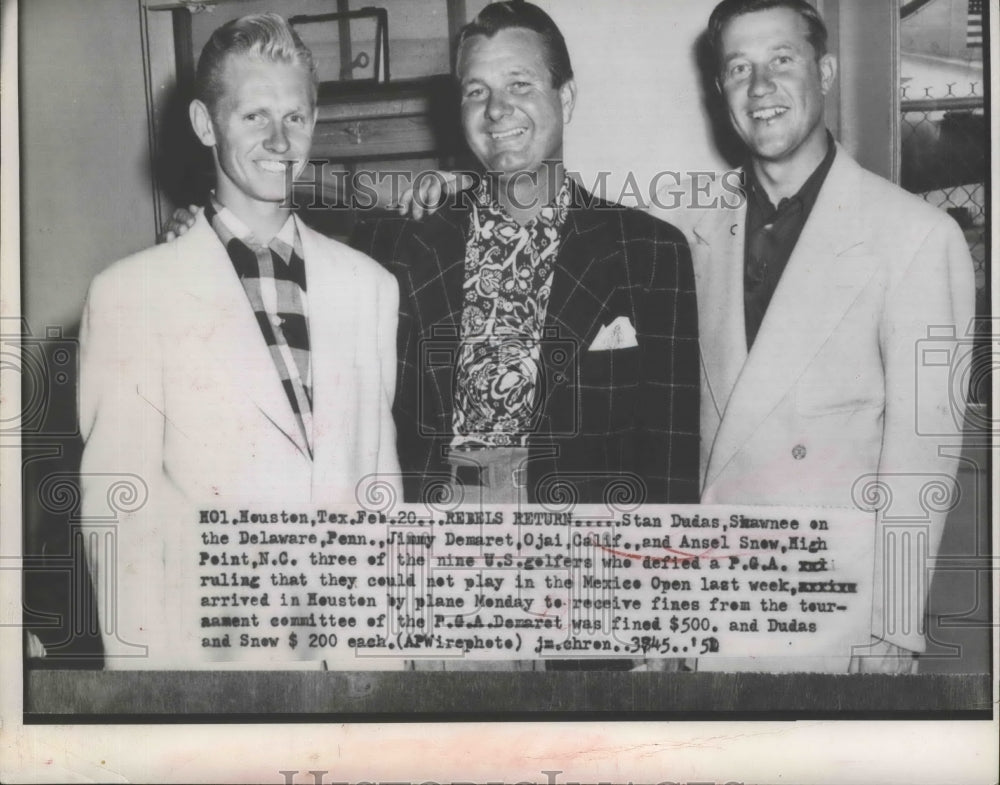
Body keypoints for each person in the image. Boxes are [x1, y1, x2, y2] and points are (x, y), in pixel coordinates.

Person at [658, 0, 975, 672]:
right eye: (738, 68)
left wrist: (895, 627)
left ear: (824, 70)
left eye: (781, 60)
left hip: (840, 625)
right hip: (717, 615)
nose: (760, 87)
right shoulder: (690, 234)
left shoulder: (916, 238)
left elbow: (925, 458)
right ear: (721, 93)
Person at [79, 13, 401, 669]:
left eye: (297, 117)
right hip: (211, 679)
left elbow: (380, 497)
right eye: (255, 116)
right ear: (205, 124)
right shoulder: (130, 296)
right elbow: (122, 525)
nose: (281, 141)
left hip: (349, 681)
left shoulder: (370, 287)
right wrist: (155, 708)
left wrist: (386, 670)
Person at [354, 1, 700, 512]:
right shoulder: (402, 246)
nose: (496, 110)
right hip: (438, 555)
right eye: (477, 91)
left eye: (520, 85)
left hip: (589, 559)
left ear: (567, 97)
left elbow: (671, 461)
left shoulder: (650, 253)